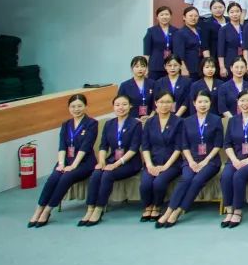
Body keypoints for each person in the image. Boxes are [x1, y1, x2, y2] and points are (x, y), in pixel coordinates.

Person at [27, 94, 99, 228]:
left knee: (66, 177)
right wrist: (61, 164)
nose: (76, 109)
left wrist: (73, 166)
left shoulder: (92, 123)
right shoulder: (66, 124)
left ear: (85, 106)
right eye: (73, 106)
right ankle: (39, 209)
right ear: (68, 108)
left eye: (79, 106)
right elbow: (62, 146)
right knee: (53, 177)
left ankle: (48, 210)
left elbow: (86, 147)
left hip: (84, 162)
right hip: (66, 160)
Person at [157, 89, 223, 227]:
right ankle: (168, 211)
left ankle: (178, 211)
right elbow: (184, 145)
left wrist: (205, 161)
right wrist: (191, 161)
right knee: (186, 179)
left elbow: (218, 145)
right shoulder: (186, 121)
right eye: (200, 102)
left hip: (210, 161)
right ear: (194, 103)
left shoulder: (216, 120)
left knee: (197, 180)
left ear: (210, 103)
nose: (203, 104)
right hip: (190, 160)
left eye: (206, 101)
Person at [79, 95, 141, 227]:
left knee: (108, 174)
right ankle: (90, 208)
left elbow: (134, 149)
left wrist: (115, 165)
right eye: (117, 105)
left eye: (124, 104)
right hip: (111, 160)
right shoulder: (109, 124)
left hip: (130, 163)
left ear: (130, 106)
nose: (121, 107)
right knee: (96, 173)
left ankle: (99, 209)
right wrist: (102, 161)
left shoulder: (136, 124)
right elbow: (103, 146)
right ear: (113, 107)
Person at [220, 88, 248, 228]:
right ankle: (229, 210)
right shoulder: (233, 120)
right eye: (242, 100)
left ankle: (238, 210)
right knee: (226, 176)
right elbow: (227, 144)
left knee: (238, 176)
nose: (245, 103)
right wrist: (234, 160)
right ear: (238, 102)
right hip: (235, 158)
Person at [138, 92, 182, 223]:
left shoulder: (178, 122)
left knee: (159, 182)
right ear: (156, 103)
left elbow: (179, 147)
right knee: (145, 184)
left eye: (168, 102)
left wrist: (165, 166)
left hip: (172, 163)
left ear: (173, 104)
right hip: (152, 161)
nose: (164, 105)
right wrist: (149, 165)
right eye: (161, 102)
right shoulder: (150, 122)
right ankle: (148, 207)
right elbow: (145, 146)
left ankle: (157, 207)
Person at [144, 6, 178, 80]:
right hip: (155, 66)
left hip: (172, 66)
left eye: (167, 14)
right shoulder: (151, 31)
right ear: (157, 17)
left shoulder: (176, 31)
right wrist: (145, 67)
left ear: (170, 16)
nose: (164, 17)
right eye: (162, 15)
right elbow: (146, 52)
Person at [174, 6, 209, 78]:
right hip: (189, 67)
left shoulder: (200, 30)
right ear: (184, 17)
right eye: (190, 16)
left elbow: (205, 47)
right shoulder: (180, 33)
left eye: (196, 16)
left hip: (202, 66)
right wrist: (183, 68)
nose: (193, 18)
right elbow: (179, 53)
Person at [118, 56, 154, 121]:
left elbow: (156, 103)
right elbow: (120, 105)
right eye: (137, 66)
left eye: (143, 66)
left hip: (150, 119)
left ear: (146, 68)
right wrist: (131, 119)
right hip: (131, 119)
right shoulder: (125, 85)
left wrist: (150, 117)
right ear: (132, 69)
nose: (140, 69)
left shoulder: (153, 83)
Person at [218, 3, 246, 77]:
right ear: (228, 13)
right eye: (232, 12)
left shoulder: (245, 28)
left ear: (241, 12)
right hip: (229, 60)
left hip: (243, 60)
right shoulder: (224, 29)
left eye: (237, 11)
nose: (235, 14)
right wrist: (222, 67)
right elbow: (220, 49)